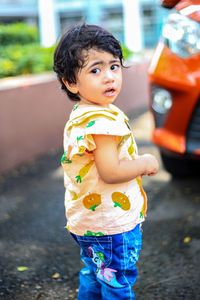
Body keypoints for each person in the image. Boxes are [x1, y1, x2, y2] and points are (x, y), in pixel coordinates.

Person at [53, 23, 159, 300]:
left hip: (87, 222)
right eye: (95, 70)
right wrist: (145, 162)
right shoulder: (101, 121)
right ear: (71, 82)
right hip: (110, 225)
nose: (109, 77)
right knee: (117, 283)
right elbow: (111, 172)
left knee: (95, 272)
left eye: (113, 66)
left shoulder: (82, 113)